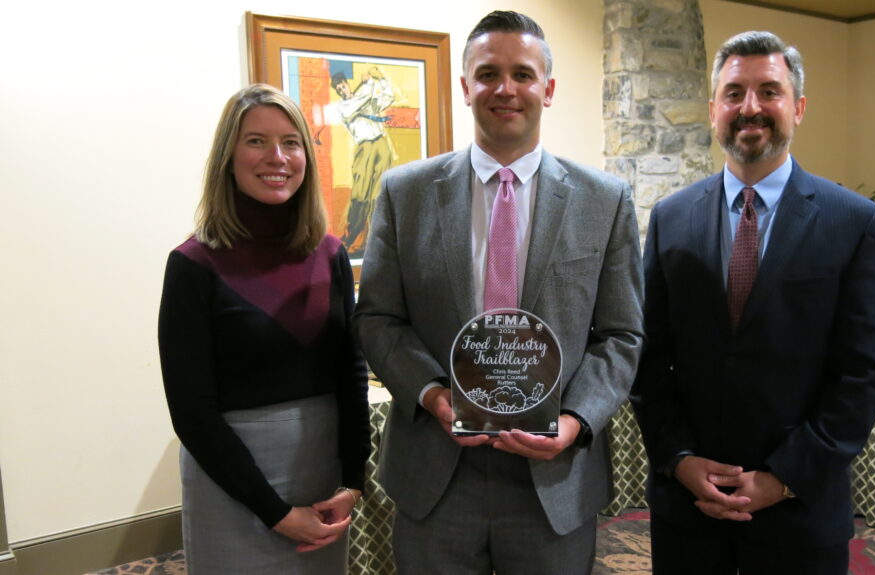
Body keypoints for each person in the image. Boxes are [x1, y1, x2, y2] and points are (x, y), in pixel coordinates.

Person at [352, 10, 643, 575]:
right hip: (438, 472)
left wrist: (576, 421)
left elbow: (622, 334)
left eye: (523, 74)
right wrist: (435, 395)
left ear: (548, 89)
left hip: (552, 479)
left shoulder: (604, 200)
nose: (505, 89)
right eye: (488, 74)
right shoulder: (404, 193)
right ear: (466, 86)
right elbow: (378, 319)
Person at [630, 31, 875, 575]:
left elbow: (862, 375)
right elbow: (648, 359)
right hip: (689, 510)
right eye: (734, 94)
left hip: (799, 511)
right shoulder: (671, 218)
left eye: (768, 91)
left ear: (797, 107)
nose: (750, 107)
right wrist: (679, 461)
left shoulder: (855, 222)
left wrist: (782, 478)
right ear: (713, 111)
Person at [158, 83, 370, 575]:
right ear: (228, 156)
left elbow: (350, 372)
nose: (276, 156)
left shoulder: (331, 254)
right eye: (256, 141)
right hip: (232, 482)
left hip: (323, 477)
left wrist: (353, 481)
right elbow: (192, 411)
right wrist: (273, 512)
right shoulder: (193, 264)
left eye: (290, 142)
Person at [320, 67, 396, 253]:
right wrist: (370, 82)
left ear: (347, 84)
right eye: (339, 90)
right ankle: (350, 237)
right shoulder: (344, 107)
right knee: (360, 196)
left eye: (343, 86)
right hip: (365, 148)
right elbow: (362, 98)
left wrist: (382, 78)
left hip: (381, 146)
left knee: (378, 196)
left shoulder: (365, 98)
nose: (343, 91)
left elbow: (388, 97)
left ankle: (372, 241)